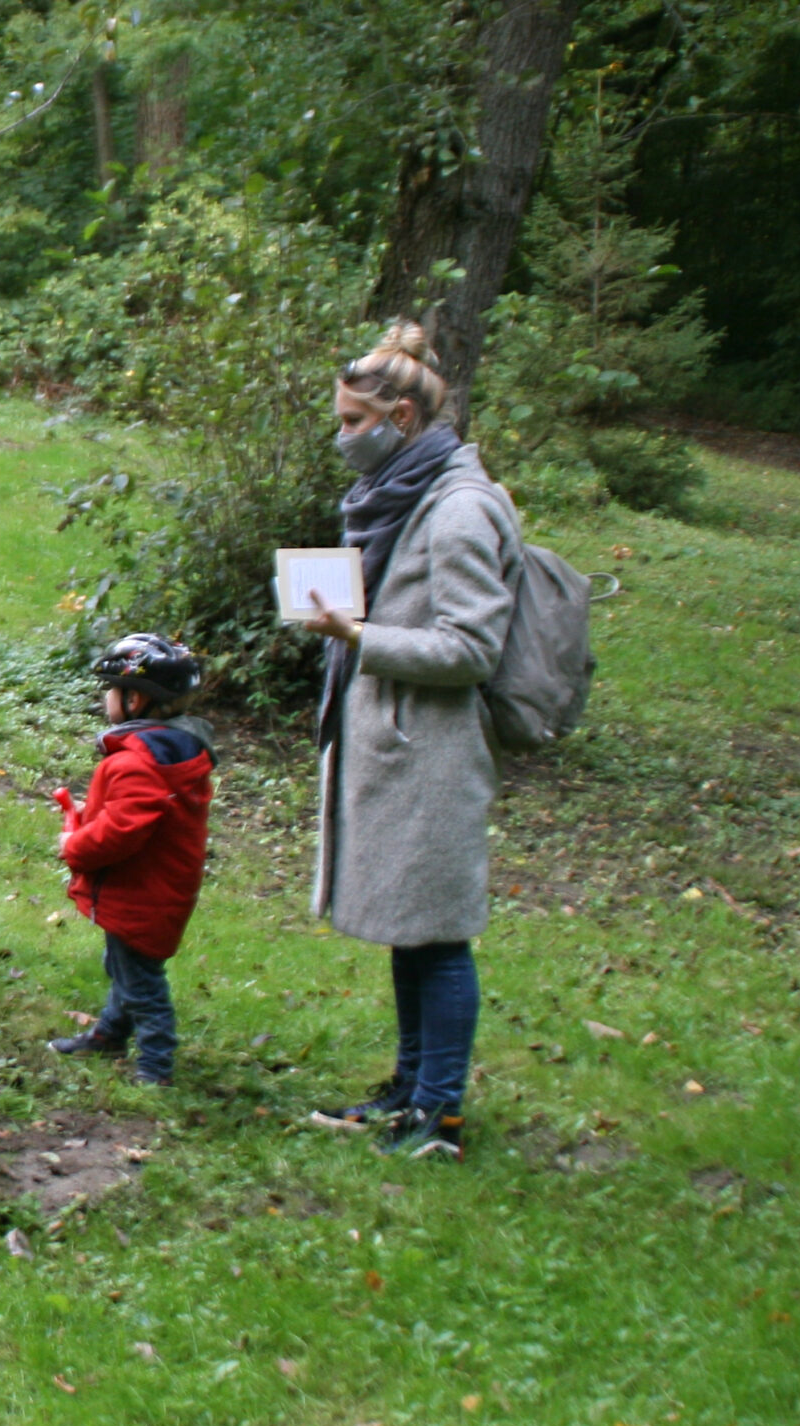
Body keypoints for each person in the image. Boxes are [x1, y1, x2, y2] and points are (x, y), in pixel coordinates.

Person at [300, 321, 519, 1163]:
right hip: (394, 746)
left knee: (439, 935)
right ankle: (409, 1088)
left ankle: (441, 1115)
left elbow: (472, 651)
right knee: (409, 928)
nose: (343, 436)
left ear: (400, 419)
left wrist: (360, 637)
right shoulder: (404, 495)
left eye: (354, 421)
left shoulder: (459, 510)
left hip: (432, 753)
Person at [45, 635, 215, 1088]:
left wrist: (74, 845)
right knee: (125, 966)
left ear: (134, 698)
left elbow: (121, 831)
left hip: (142, 893)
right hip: (153, 889)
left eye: (110, 689)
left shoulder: (139, 763)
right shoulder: (172, 750)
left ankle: (156, 1066)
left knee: (141, 979)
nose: (106, 698)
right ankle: (110, 1033)